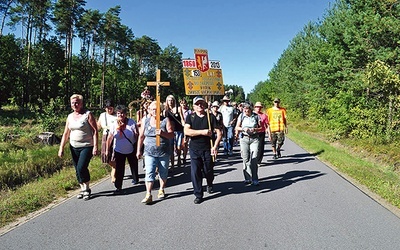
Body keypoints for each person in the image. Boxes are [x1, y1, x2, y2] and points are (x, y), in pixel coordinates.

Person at [58, 94, 98, 200]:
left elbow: (95, 131)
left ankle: (87, 188)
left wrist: (95, 146)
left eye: (77, 102)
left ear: (81, 103)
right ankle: (82, 188)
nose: (75, 105)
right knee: (77, 169)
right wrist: (61, 147)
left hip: (86, 146)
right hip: (73, 146)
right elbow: (66, 133)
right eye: (73, 103)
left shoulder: (88, 114)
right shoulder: (70, 117)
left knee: (81, 167)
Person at [184, 96, 222, 204]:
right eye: (197, 104)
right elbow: (187, 131)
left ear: (205, 105)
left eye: (202, 103)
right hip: (194, 149)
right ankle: (198, 194)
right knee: (195, 172)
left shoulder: (210, 117)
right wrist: (203, 132)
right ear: (194, 106)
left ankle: (209, 183)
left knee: (208, 171)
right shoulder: (190, 117)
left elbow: (219, 133)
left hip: (208, 149)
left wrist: (215, 146)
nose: (200, 105)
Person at [136, 101, 174, 204]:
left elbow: (171, 135)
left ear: (160, 110)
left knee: (163, 171)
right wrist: (138, 150)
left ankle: (161, 189)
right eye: (152, 109)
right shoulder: (146, 121)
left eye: (157, 109)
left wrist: (163, 133)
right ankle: (148, 194)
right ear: (149, 110)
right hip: (149, 151)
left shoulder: (166, 121)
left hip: (163, 152)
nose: (154, 111)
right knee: (149, 172)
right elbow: (141, 136)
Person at [106, 105, 139, 194]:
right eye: (118, 113)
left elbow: (136, 134)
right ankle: (118, 186)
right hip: (119, 150)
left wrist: (138, 146)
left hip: (131, 148)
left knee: (133, 164)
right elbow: (110, 137)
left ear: (125, 114)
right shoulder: (114, 124)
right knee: (119, 168)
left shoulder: (131, 122)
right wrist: (107, 149)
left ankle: (135, 178)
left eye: (122, 113)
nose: (120, 115)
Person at [235, 102, 261, 186]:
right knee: (245, 159)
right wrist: (243, 129)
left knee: (254, 158)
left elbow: (260, 128)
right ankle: (247, 178)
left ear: (250, 109)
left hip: (254, 139)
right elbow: (237, 127)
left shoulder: (256, 116)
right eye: (244, 108)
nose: (245, 110)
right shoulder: (241, 116)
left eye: (247, 108)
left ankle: (255, 179)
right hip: (244, 139)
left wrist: (254, 129)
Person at [97, 99, 117, 183]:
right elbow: (98, 126)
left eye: (111, 108)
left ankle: (114, 174)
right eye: (107, 108)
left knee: (114, 155)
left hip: (115, 137)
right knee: (106, 157)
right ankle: (114, 166)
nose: (109, 110)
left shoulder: (117, 116)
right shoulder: (102, 115)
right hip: (105, 136)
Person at [164, 95, 185, 169]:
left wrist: (184, 125)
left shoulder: (178, 109)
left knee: (178, 146)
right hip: (170, 131)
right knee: (171, 148)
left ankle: (179, 157)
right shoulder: (165, 111)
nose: (170, 102)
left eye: (172, 100)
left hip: (179, 130)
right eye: (169, 100)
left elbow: (182, 118)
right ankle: (172, 165)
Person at [179, 98, 191, 165]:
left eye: (184, 103)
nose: (183, 104)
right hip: (179, 128)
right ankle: (179, 155)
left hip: (186, 128)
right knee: (179, 144)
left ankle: (184, 157)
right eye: (182, 103)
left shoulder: (189, 111)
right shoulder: (178, 111)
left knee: (185, 143)